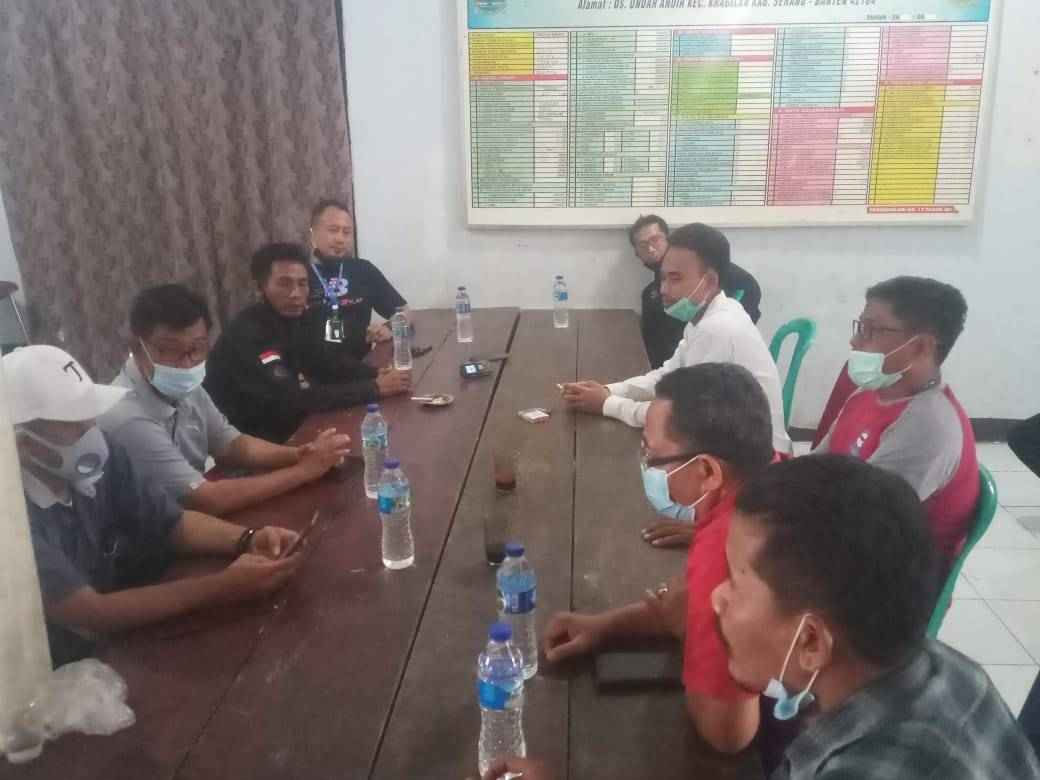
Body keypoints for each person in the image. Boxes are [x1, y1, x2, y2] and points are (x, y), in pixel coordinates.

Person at [481, 456, 1040, 780]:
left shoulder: (878, 768)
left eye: (737, 583)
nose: (716, 600)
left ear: (812, 642)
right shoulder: (942, 667)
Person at [6, 345, 304, 668]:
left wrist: (247, 538)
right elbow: (93, 613)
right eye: (73, 423)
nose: (91, 429)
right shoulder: (12, 522)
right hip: (67, 671)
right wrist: (224, 587)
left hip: (125, 637)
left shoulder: (100, 456)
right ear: (23, 445)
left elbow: (171, 523)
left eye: (89, 414)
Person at [544, 364, 775, 753]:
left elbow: (728, 736)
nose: (646, 465)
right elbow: (684, 604)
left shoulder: (729, 553)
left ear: (707, 470)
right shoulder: (764, 477)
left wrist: (684, 632)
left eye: (652, 454)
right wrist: (605, 626)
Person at [99, 284, 352, 515]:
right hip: (152, 538)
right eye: (169, 350)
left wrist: (301, 454)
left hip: (187, 519)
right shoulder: (126, 416)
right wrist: (304, 471)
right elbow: (206, 499)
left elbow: (232, 445)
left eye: (197, 348)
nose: (186, 363)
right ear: (136, 346)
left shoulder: (185, 386)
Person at [564, 222, 790, 456]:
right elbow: (667, 376)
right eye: (663, 278)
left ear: (710, 281)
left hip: (759, 461)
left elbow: (681, 415)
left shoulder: (718, 328)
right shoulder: (705, 316)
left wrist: (608, 404)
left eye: (675, 279)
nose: (663, 289)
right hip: (727, 440)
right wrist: (610, 390)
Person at [813, 276, 978, 568]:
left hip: (890, 571)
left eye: (872, 330)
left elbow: (863, 520)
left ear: (921, 346)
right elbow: (817, 466)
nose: (855, 341)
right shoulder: (867, 394)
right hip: (848, 538)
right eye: (860, 327)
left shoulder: (929, 425)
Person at [205, 242, 412, 443]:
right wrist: (374, 388)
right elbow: (292, 399)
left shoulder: (298, 317)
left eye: (302, 284)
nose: (296, 293)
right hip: (244, 440)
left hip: (282, 421)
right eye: (284, 283)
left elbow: (325, 362)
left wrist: (375, 373)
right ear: (261, 288)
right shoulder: (249, 332)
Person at [630, 214, 762, 369]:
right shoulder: (654, 295)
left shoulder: (718, 326)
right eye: (643, 245)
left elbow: (697, 377)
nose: (651, 249)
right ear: (637, 253)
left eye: (655, 240)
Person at [307, 199, 409, 361]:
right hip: (313, 370)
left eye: (346, 232)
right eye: (333, 230)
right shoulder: (298, 274)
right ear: (313, 234)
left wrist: (389, 328)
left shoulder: (363, 269)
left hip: (362, 366)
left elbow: (404, 312)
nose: (340, 239)